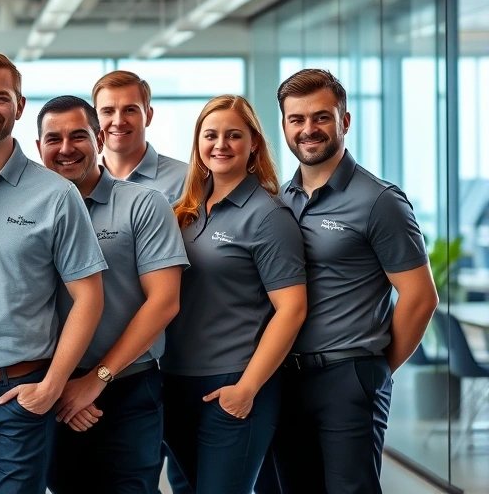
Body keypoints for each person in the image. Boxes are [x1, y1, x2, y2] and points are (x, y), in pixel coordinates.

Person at [267, 69, 438, 494]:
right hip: (284, 377)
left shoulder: (379, 201)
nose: (308, 129)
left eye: (321, 117)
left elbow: (420, 298)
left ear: (344, 121)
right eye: (297, 119)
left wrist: (373, 371)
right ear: (284, 126)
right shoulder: (279, 199)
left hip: (348, 377)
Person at [0, 52, 106, 493]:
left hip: (21, 394)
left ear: (19, 106)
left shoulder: (56, 195)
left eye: (0, 97)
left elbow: (90, 298)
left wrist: (52, 386)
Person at [34, 96, 187, 493]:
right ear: (38, 148)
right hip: (56, 390)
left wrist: (96, 380)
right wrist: (62, 385)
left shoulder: (143, 204)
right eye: (53, 139)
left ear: (99, 139)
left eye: (78, 136)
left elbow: (164, 301)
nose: (66, 148)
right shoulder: (32, 214)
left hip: (129, 386)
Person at [162, 95, 307, 494]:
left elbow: (292, 309)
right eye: (210, 135)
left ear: (254, 143)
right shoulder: (183, 212)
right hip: (175, 382)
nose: (220, 145)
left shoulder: (268, 215)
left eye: (234, 135)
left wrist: (247, 388)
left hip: (234, 381)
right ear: (198, 142)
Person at [93, 70, 187, 203]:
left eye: (130, 110)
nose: (118, 122)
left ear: (148, 116)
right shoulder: (81, 181)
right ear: (93, 119)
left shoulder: (186, 179)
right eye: (108, 111)